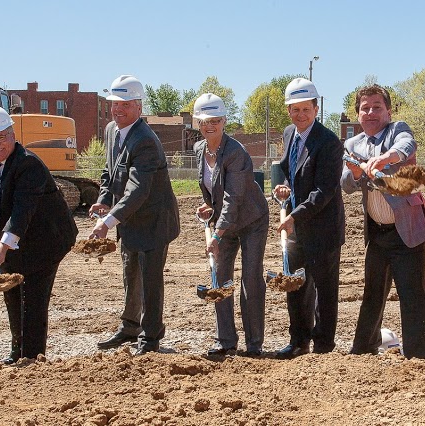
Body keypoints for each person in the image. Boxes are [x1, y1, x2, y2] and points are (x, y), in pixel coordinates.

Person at [0, 105, 78, 364]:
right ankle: (17, 351)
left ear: (12, 133)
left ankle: (32, 357)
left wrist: (3, 244)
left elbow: (22, 210)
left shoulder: (29, 164)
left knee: (33, 298)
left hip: (46, 239)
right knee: (12, 293)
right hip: (8, 238)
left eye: (1, 137)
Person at [90, 75, 180, 355]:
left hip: (154, 221)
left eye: (125, 104)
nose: (118, 110)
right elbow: (110, 172)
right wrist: (104, 200)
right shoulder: (111, 131)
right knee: (130, 274)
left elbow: (137, 190)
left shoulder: (145, 141)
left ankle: (151, 337)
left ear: (139, 107)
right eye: (115, 104)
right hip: (129, 220)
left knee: (150, 280)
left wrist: (107, 222)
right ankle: (130, 327)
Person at [341, 84, 425, 358]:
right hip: (377, 234)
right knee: (372, 295)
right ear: (358, 114)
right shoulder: (351, 144)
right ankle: (363, 349)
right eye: (364, 108)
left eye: (376, 107)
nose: (370, 113)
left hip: (406, 231)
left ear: (388, 111)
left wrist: (383, 158)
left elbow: (407, 146)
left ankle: (419, 357)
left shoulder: (397, 131)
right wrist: (356, 172)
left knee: (412, 296)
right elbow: (346, 184)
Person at [192, 93, 270, 357]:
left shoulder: (236, 152)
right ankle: (225, 340)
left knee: (250, 277)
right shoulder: (199, 150)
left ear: (224, 121)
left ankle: (254, 344)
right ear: (197, 123)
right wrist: (208, 207)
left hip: (251, 220)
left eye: (215, 120)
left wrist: (216, 233)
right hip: (223, 222)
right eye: (204, 121)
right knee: (220, 279)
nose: (209, 126)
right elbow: (213, 190)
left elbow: (233, 197)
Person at [272, 77, 345, 359]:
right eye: (295, 109)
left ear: (316, 109)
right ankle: (299, 341)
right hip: (297, 227)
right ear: (288, 110)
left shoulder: (328, 142)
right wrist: (287, 188)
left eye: (306, 109)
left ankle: (324, 346)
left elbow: (324, 190)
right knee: (295, 285)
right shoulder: (290, 133)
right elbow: (292, 171)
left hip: (323, 228)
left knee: (324, 291)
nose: (300, 115)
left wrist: (294, 216)